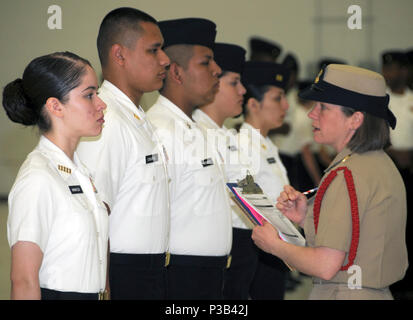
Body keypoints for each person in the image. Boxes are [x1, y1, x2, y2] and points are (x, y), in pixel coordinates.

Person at [252, 64, 408, 300]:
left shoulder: (347, 173)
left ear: (355, 119)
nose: (311, 114)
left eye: (323, 107)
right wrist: (307, 218)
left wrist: (274, 245)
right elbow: (360, 235)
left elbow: (325, 265)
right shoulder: (378, 164)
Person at [76, 7, 171, 300]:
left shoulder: (135, 117)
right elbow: (93, 213)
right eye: (154, 50)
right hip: (123, 274)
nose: (165, 60)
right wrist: (102, 289)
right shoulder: (107, 120)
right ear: (120, 55)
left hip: (150, 271)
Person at [3, 51, 109, 300]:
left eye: (98, 95)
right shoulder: (38, 178)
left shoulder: (80, 171)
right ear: (55, 106)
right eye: (89, 95)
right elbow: (24, 281)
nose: (101, 104)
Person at [147, 18, 232, 300]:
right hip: (181, 276)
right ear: (176, 73)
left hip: (207, 274)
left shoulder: (193, 127)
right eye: (206, 62)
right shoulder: (159, 130)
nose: (217, 70)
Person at [191, 43, 254, 299]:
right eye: (234, 82)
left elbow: (247, 188)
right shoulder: (195, 135)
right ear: (213, 83)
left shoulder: (226, 135)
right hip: (217, 250)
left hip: (241, 245)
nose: (243, 90)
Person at [239, 61, 291, 299]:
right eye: (277, 98)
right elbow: (245, 197)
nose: (286, 105)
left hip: (276, 245)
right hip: (257, 248)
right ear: (253, 104)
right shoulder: (242, 146)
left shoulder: (266, 144)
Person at [381, 50, 413, 298]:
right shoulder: (381, 100)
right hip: (390, 166)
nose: (388, 74)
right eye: (386, 69)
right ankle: (392, 279)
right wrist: (394, 153)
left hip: (411, 168)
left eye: (393, 69)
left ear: (405, 71)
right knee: (391, 223)